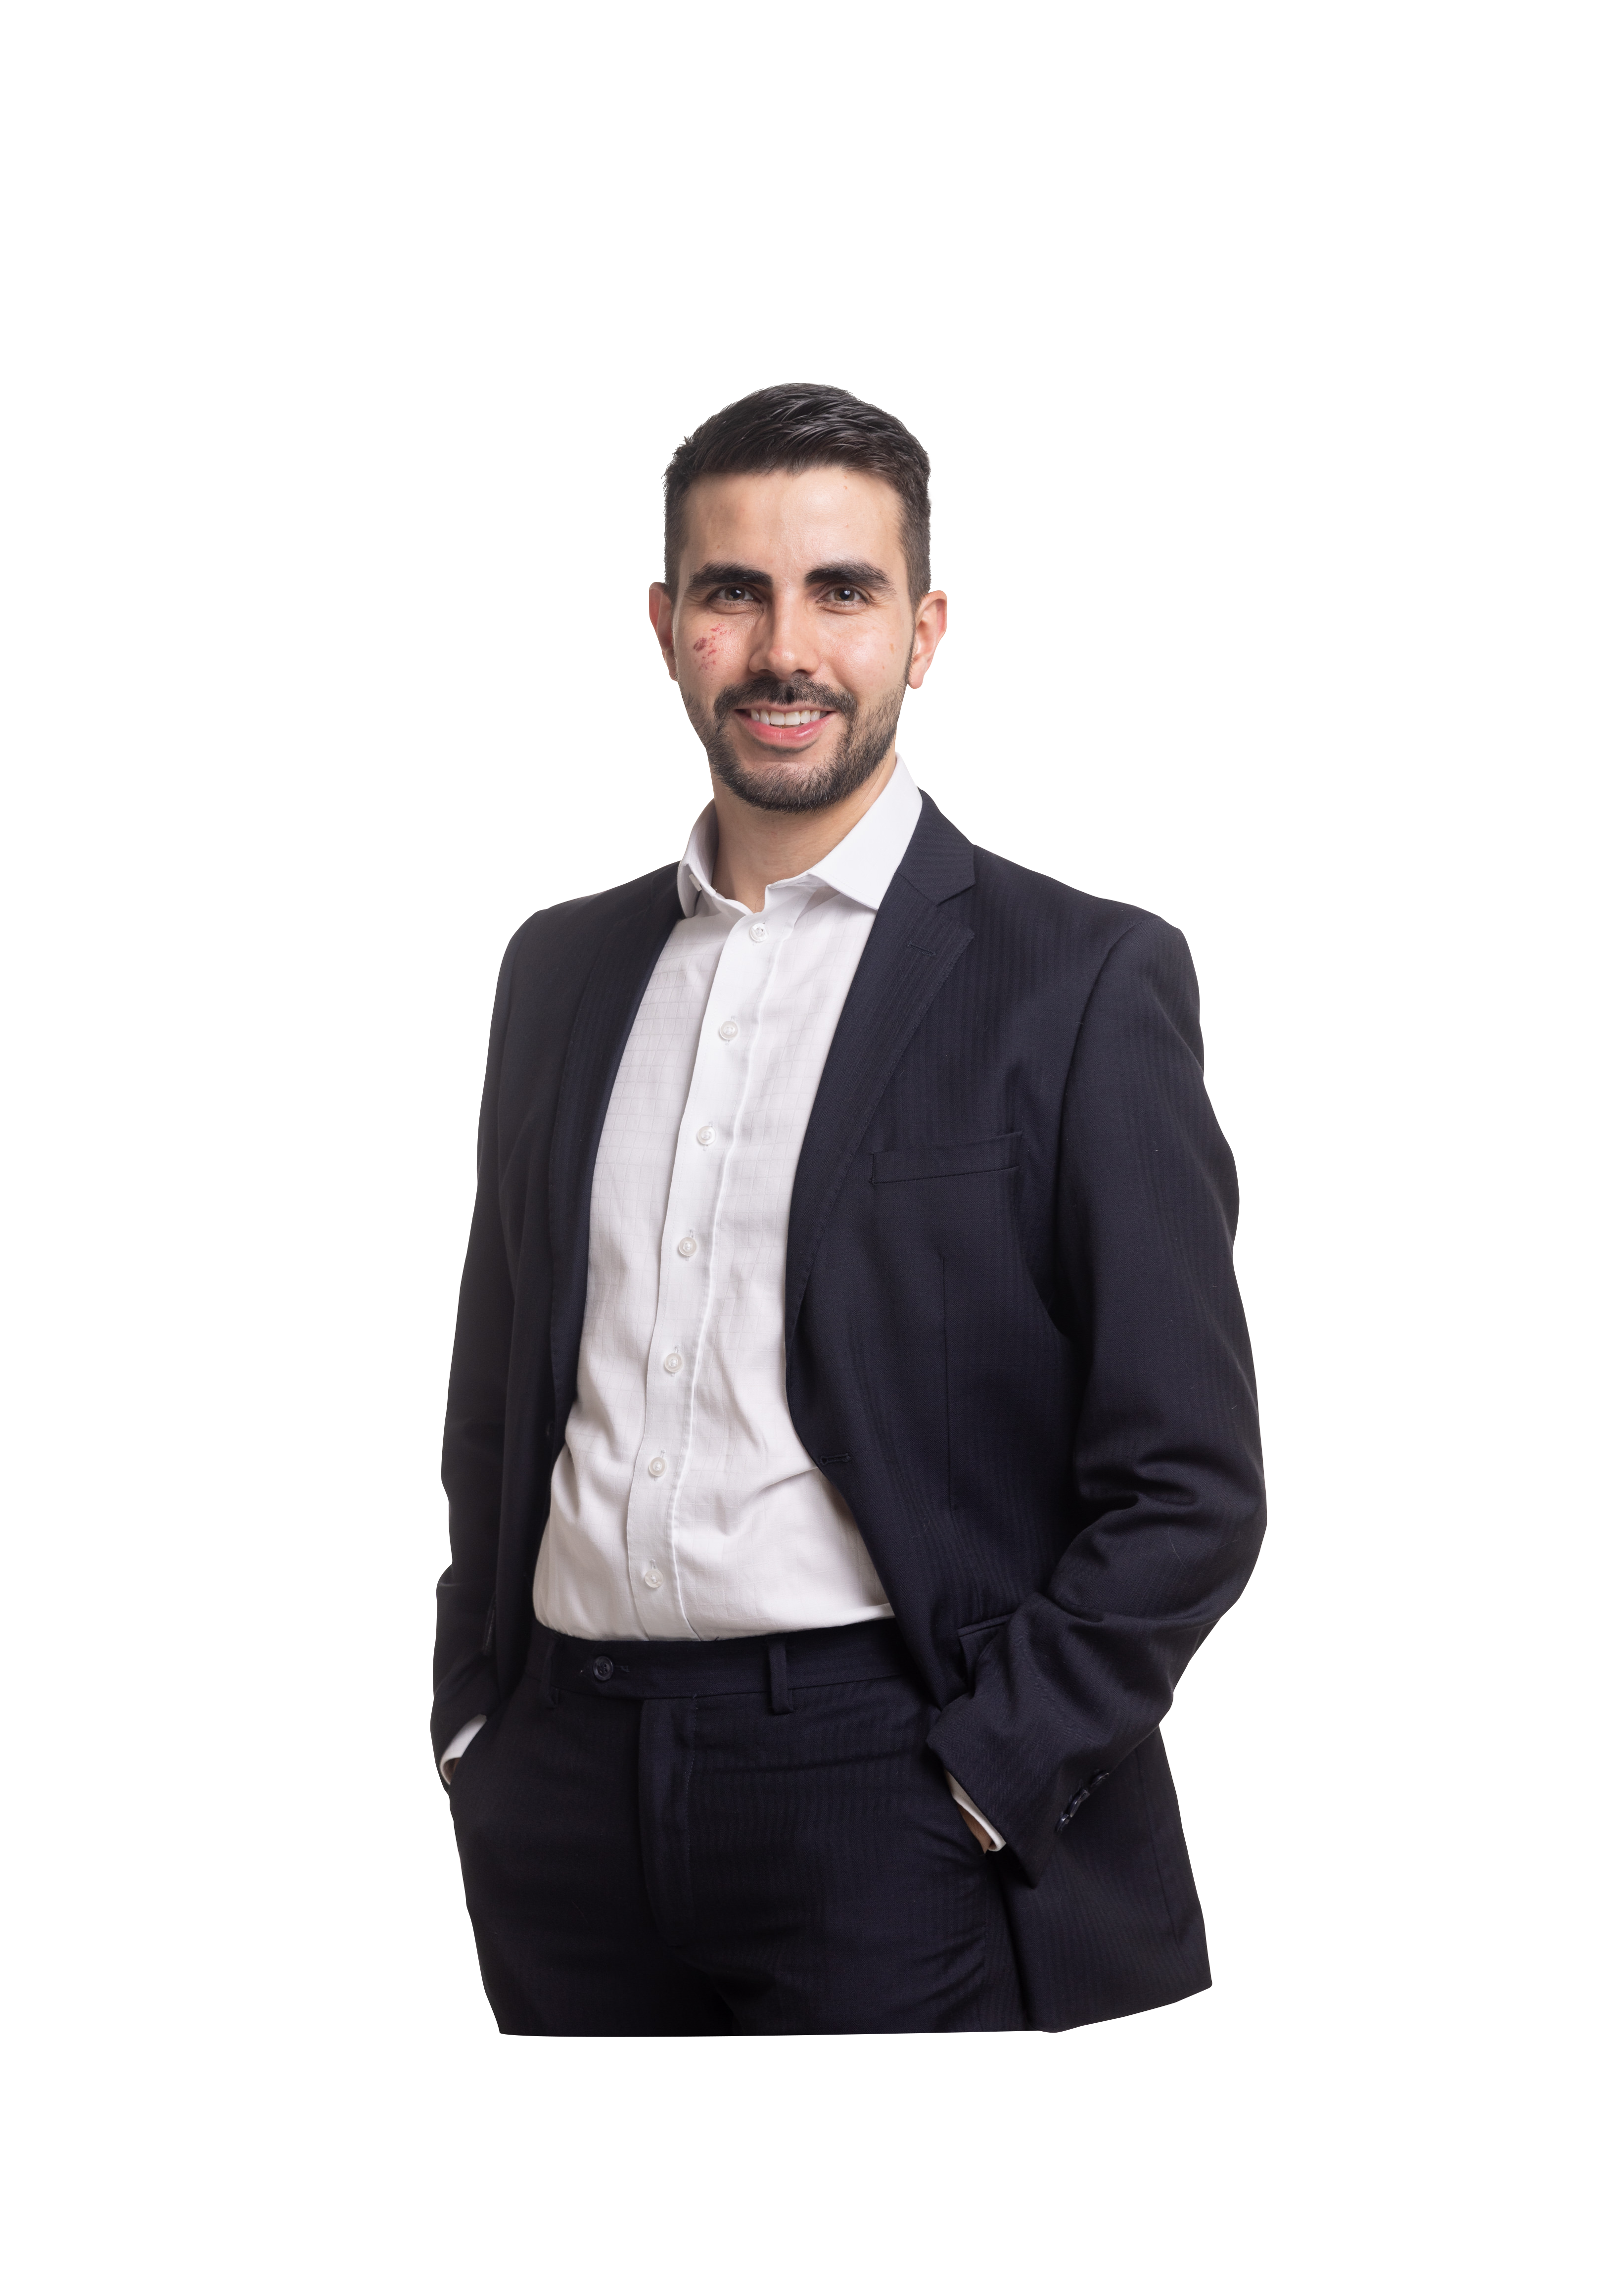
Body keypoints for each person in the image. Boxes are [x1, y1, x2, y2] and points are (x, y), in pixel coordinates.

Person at [432, 381, 1265, 2037]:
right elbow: (500, 1392)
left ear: (921, 630)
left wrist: (983, 1773)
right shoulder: (561, 968)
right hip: (559, 1793)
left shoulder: (1075, 980)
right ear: (667, 627)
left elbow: (1190, 1478)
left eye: (841, 591)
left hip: (880, 1792)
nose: (784, 649)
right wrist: (474, 1713)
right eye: (733, 592)